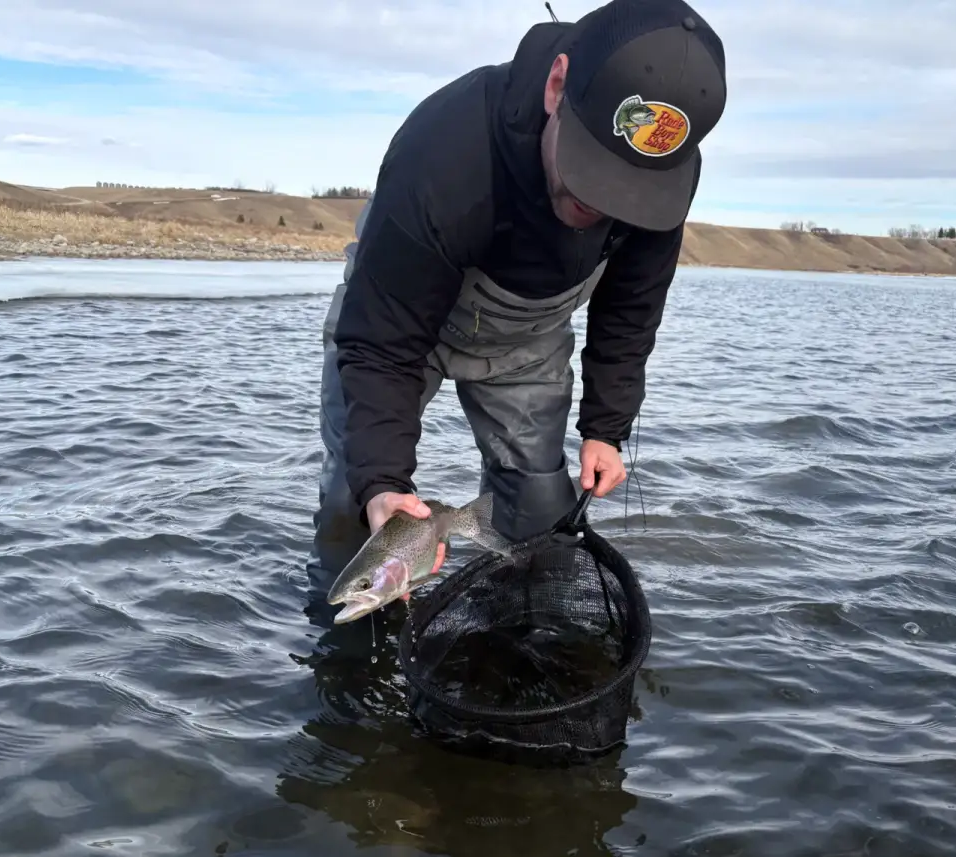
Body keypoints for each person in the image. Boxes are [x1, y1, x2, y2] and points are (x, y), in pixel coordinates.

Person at [305, 0, 727, 602]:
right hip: (396, 328)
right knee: (356, 499)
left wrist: (606, 428)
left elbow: (631, 309)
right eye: (593, 170)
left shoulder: (664, 172)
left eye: (629, 190)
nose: (603, 205)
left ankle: (516, 640)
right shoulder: (444, 153)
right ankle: (342, 661)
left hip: (527, 343)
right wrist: (382, 485)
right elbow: (382, 345)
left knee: (538, 513)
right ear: (557, 85)